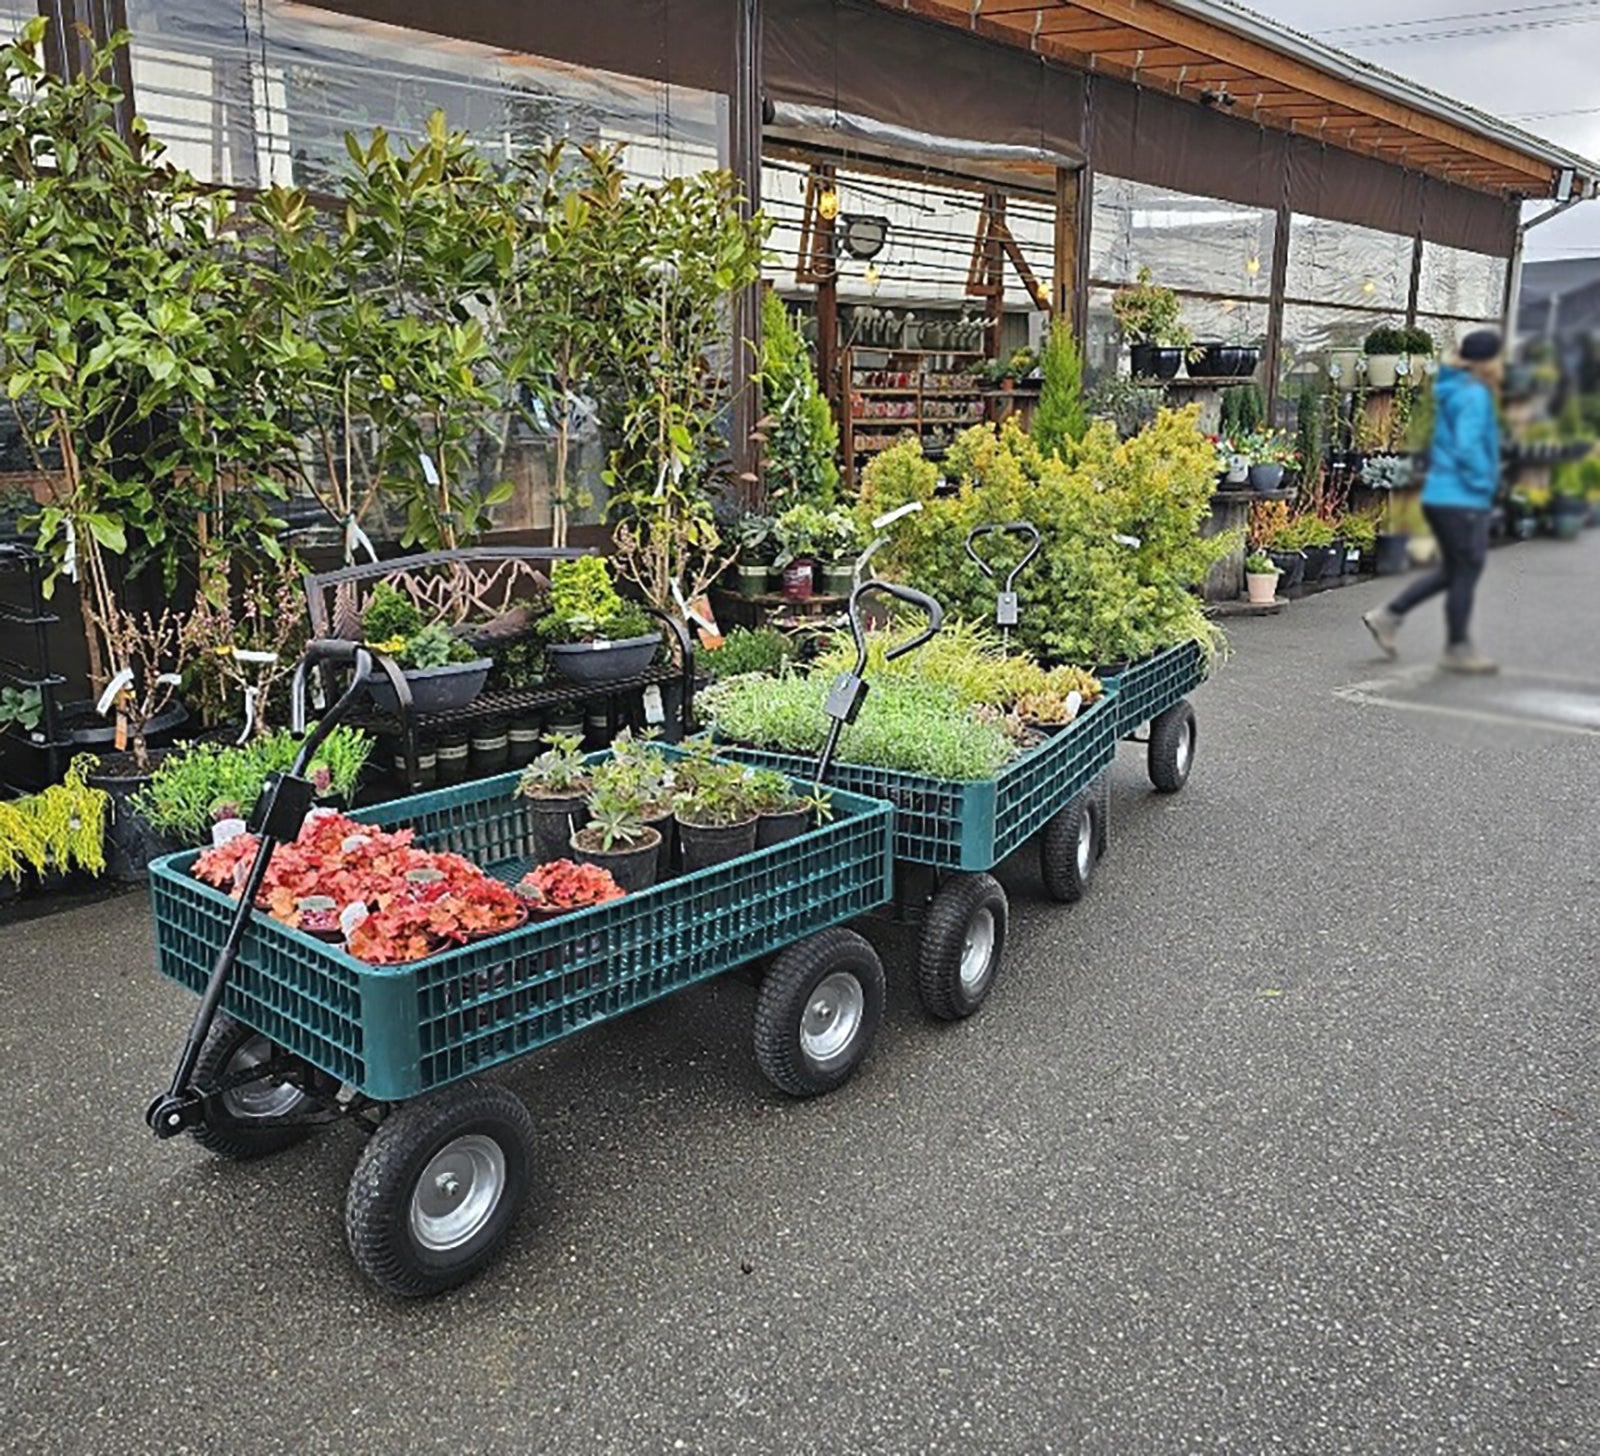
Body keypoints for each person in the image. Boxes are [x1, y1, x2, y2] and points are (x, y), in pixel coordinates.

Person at [1363, 329, 1503, 673]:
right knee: (1466, 569)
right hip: (1462, 497)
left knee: (1455, 569)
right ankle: (1456, 647)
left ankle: (1389, 615)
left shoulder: (1454, 389)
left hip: (1443, 494)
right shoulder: (1473, 394)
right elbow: (1469, 447)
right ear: (1487, 361)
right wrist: (1485, 483)